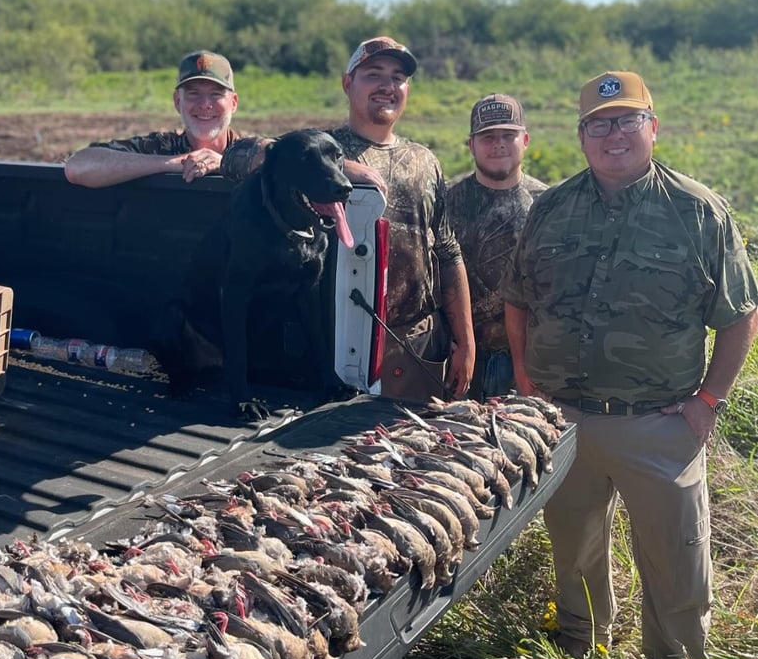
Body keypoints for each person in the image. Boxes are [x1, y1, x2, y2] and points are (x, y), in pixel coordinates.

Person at [502, 70, 758, 659]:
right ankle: (583, 637)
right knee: (575, 538)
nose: (612, 134)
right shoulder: (552, 207)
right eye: (598, 124)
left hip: (659, 424)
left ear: (652, 127)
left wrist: (707, 402)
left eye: (625, 120)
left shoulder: (699, 211)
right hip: (563, 420)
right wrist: (528, 378)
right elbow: (517, 298)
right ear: (582, 136)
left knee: (676, 557)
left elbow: (739, 315)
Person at [222, 36, 475, 402]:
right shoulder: (316, 150)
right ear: (347, 83)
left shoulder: (425, 161)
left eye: (397, 78)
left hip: (415, 345)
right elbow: (237, 157)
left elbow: (448, 252)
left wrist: (465, 342)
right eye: (374, 74)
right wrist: (344, 166)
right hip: (334, 346)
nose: (387, 86)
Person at [446, 94, 546, 400]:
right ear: (471, 145)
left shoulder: (548, 204)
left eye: (508, 135)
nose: (498, 144)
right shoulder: (448, 202)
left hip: (529, 361)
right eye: (488, 137)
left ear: (525, 140)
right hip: (460, 357)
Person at [64, 50, 245, 187]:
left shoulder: (251, 150)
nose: (205, 104)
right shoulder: (159, 147)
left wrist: (226, 164)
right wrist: (176, 163)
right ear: (177, 101)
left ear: (234, 103)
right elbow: (78, 166)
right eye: (193, 93)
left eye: (215, 94)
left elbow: (272, 164)